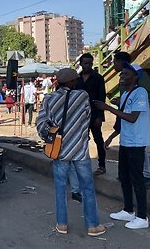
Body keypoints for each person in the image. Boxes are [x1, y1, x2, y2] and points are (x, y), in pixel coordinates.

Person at [36, 68, 105, 236]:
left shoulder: (49, 99)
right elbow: (87, 118)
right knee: (87, 187)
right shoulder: (82, 96)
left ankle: (62, 224)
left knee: (60, 188)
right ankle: (92, 226)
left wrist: (50, 133)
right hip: (80, 150)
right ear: (72, 82)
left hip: (59, 150)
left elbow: (41, 123)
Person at [94, 63, 149, 229]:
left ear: (135, 76)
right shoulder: (125, 94)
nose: (122, 76)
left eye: (125, 74)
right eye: (122, 74)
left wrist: (108, 108)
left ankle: (142, 217)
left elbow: (132, 118)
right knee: (124, 177)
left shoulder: (141, 92)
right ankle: (128, 210)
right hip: (126, 142)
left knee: (137, 179)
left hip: (136, 142)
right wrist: (118, 105)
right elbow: (124, 116)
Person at [76, 53, 107, 175]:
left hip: (94, 114)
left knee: (98, 140)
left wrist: (100, 116)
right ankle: (82, 165)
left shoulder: (98, 78)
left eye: (90, 63)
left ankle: (102, 165)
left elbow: (102, 97)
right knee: (82, 141)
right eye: (85, 63)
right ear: (81, 64)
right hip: (80, 116)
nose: (88, 65)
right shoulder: (76, 79)